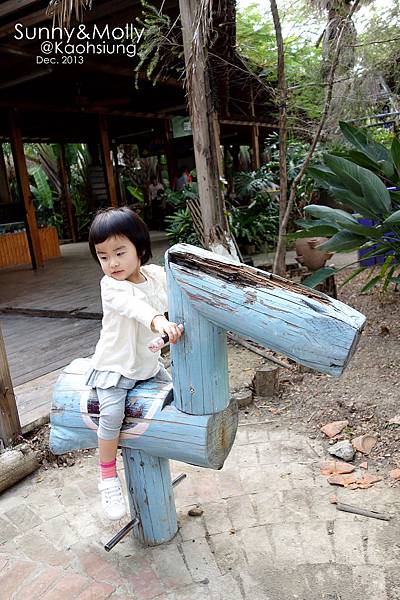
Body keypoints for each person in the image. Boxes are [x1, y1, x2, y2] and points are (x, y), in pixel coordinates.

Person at [86, 207, 183, 520]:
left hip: (146, 365)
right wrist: (158, 321)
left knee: (174, 394)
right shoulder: (111, 286)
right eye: (103, 256)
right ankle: (107, 478)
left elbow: (176, 298)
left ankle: (165, 449)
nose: (111, 263)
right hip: (114, 368)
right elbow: (136, 308)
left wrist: (174, 324)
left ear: (140, 248)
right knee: (111, 415)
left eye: (119, 252)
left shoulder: (155, 276)